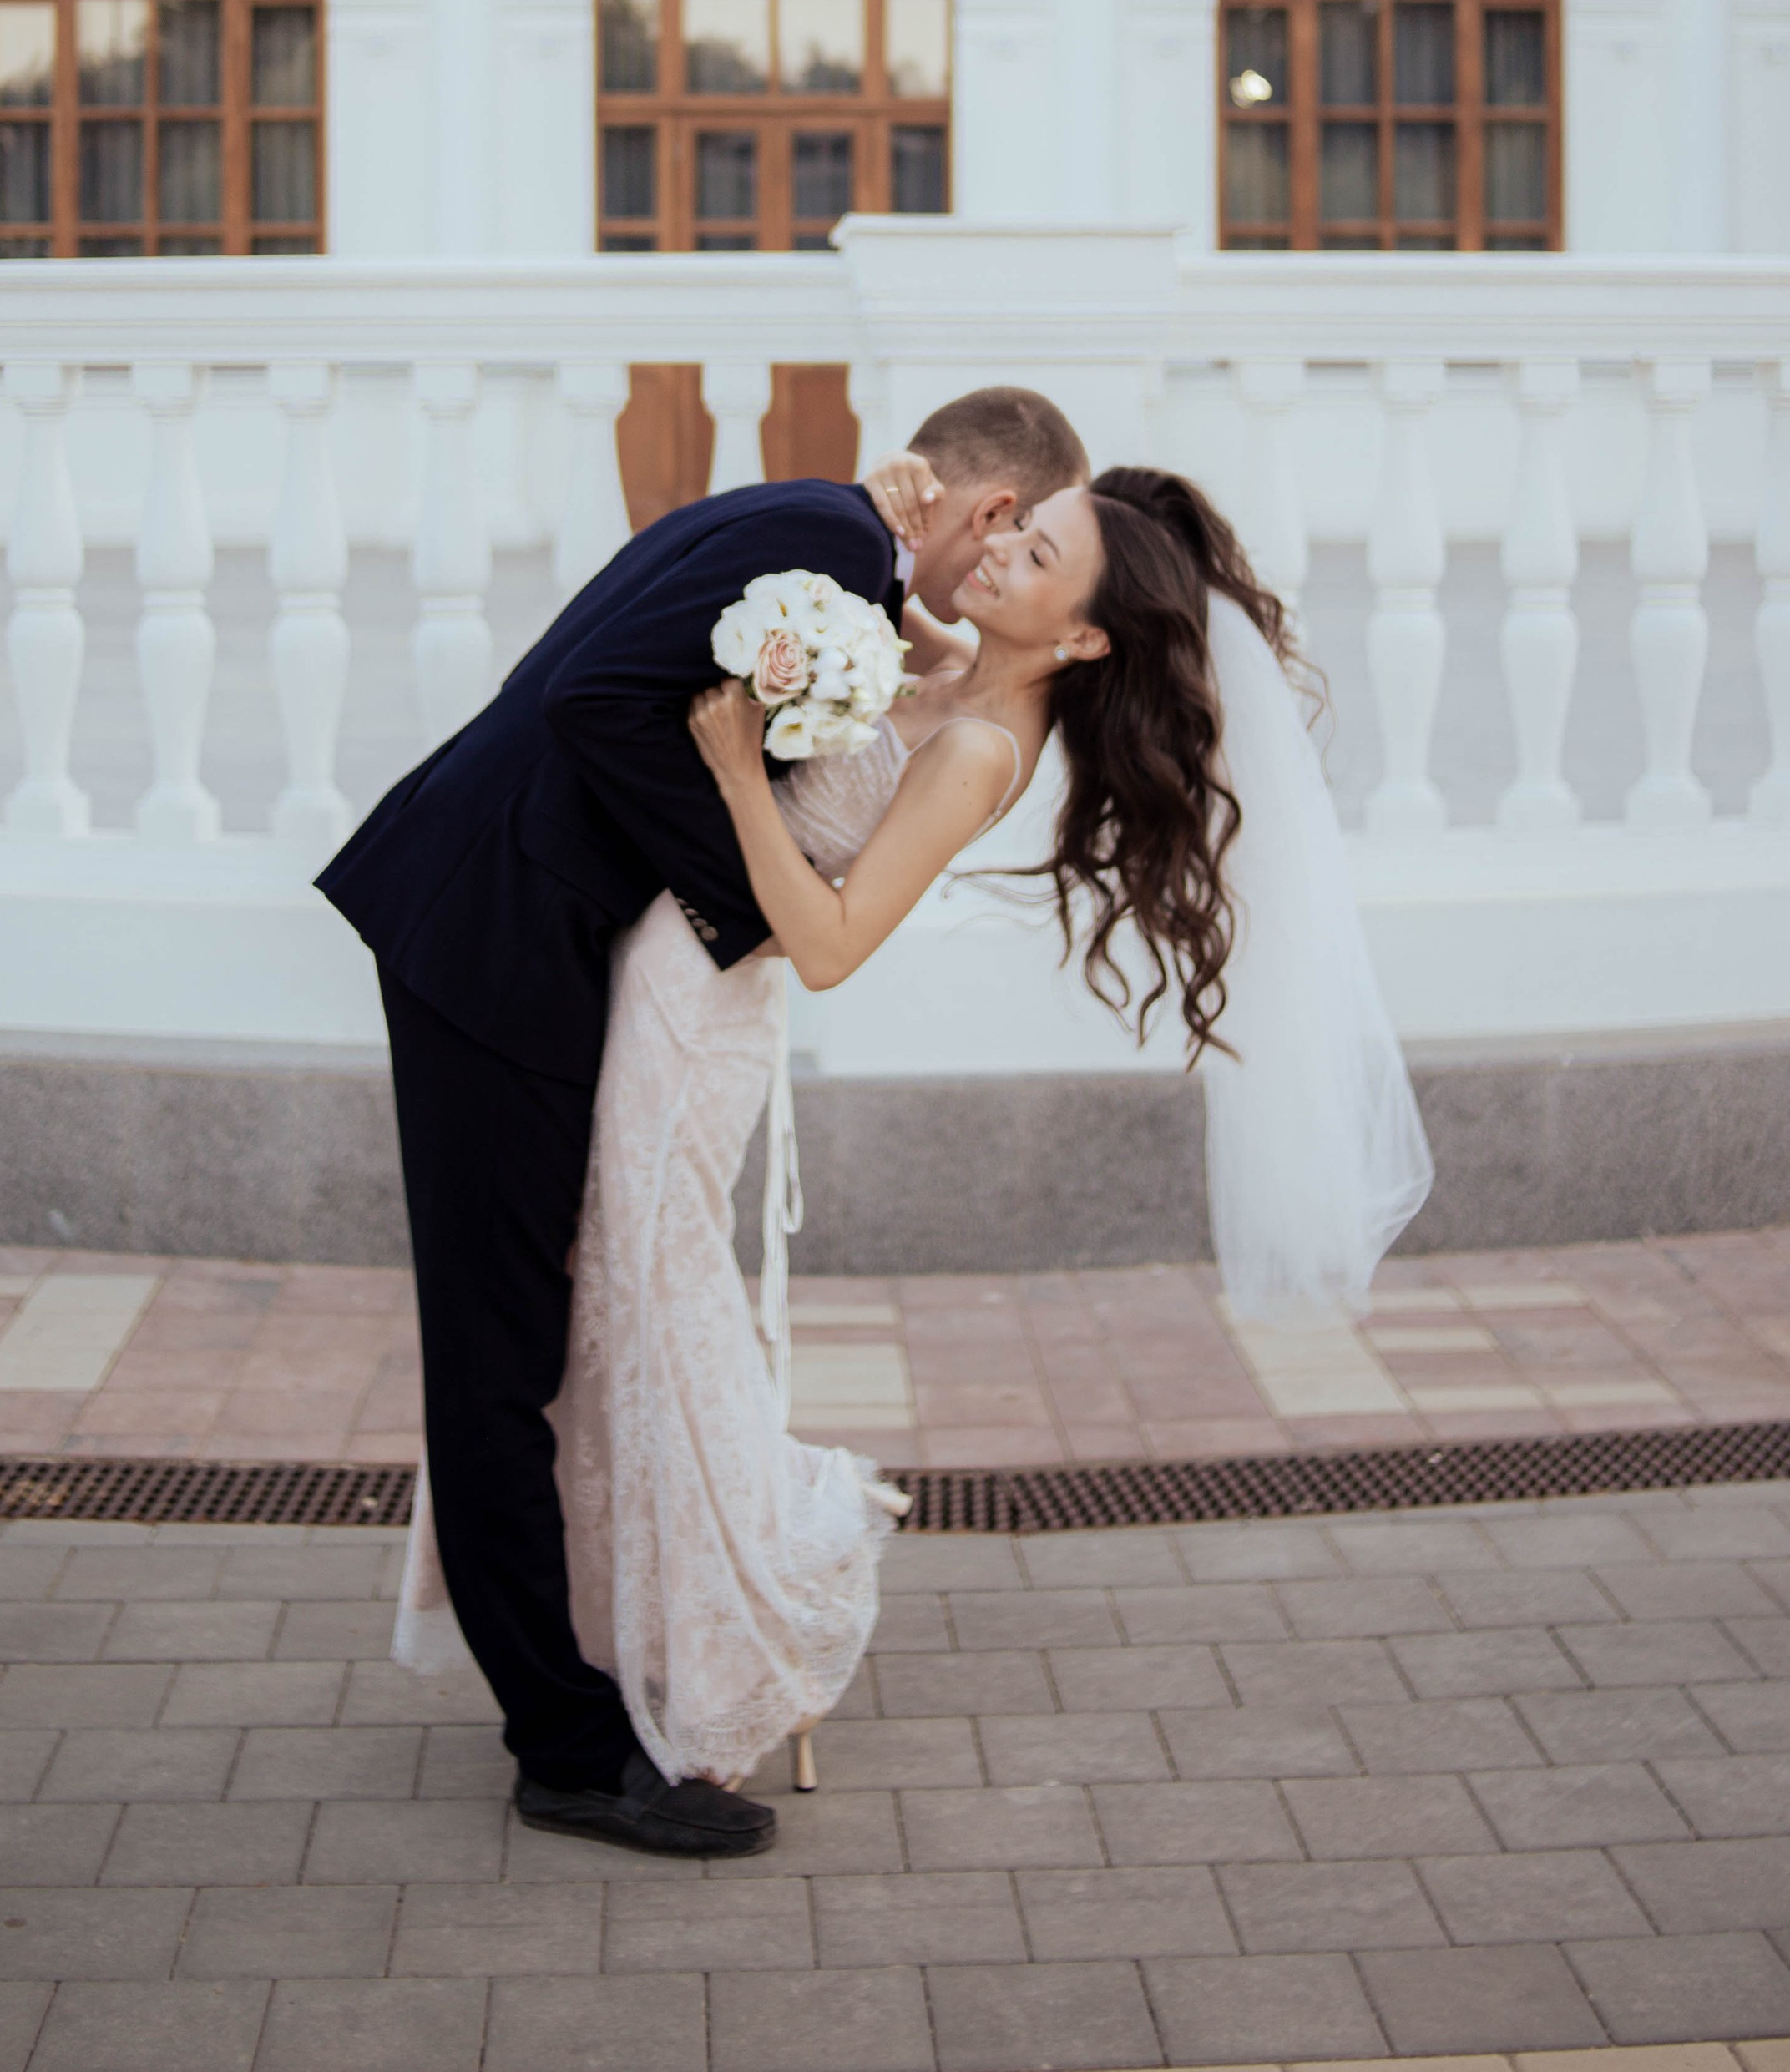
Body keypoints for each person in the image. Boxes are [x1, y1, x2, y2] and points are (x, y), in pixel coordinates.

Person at [475, 459, 1433, 1811]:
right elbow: (884, 641)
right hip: (662, 990)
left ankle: (726, 1640)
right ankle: (620, 1643)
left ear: (1088, 636)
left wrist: (741, 774)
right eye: (1022, 528)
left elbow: (830, 945)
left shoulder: (985, 748)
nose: (1003, 558)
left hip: (697, 1025)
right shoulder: (966, 679)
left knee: (656, 1312)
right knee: (616, 1312)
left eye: (1036, 561)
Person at [314, 385, 1090, 1861]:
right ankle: (567, 1749)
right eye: (1018, 539)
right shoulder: (824, 544)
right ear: (991, 512)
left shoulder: (826, 532)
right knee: (499, 1360)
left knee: (544, 1334)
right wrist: (736, 899)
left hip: (526, 939)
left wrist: (882, 670)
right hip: (494, 942)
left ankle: (602, 1673)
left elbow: (689, 702)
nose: (1004, 567)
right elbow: (591, 704)